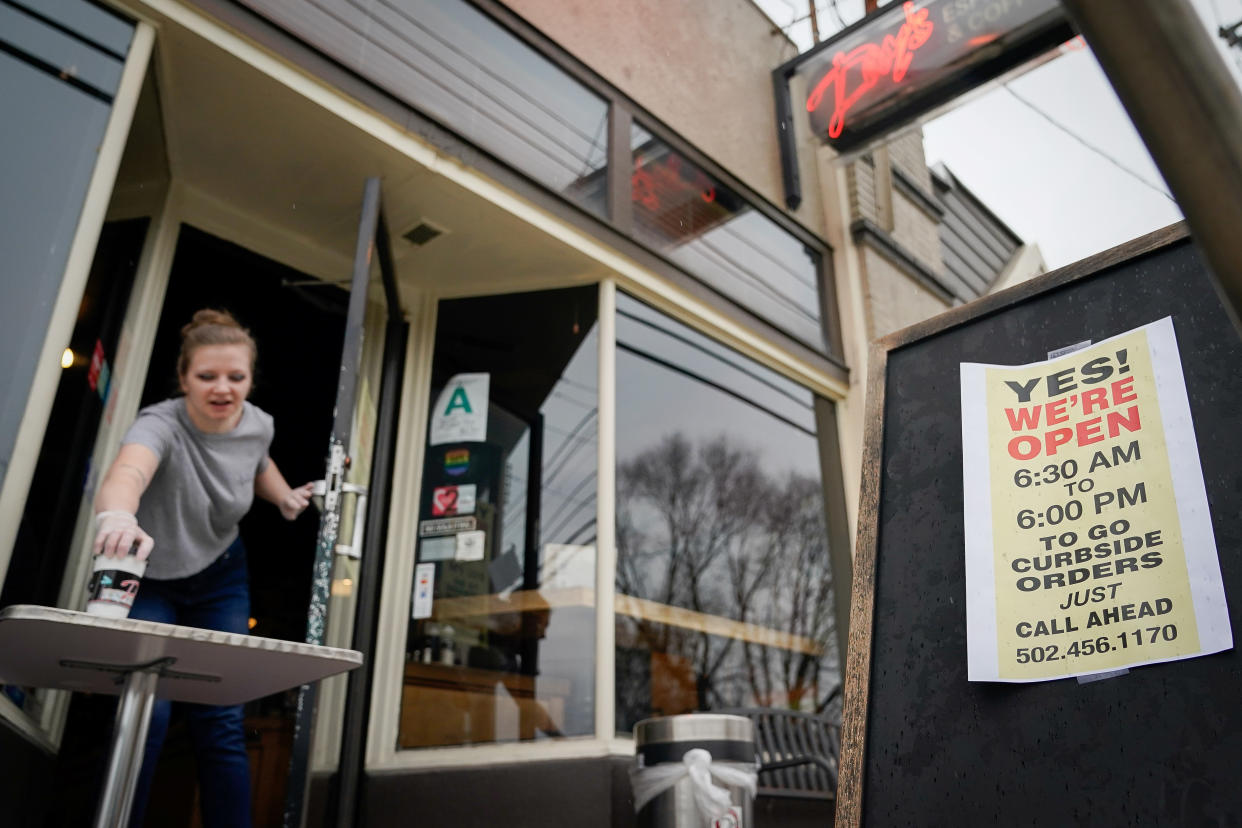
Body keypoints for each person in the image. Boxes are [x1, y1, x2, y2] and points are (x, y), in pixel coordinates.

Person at [92, 308, 314, 828]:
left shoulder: (259, 423)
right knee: (148, 712)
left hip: (221, 578)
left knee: (221, 717)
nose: (223, 389)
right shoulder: (160, 424)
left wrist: (283, 498)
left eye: (236, 377)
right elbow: (127, 470)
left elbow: (258, 462)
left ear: (251, 379)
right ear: (183, 377)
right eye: (207, 376)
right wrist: (118, 515)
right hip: (150, 581)